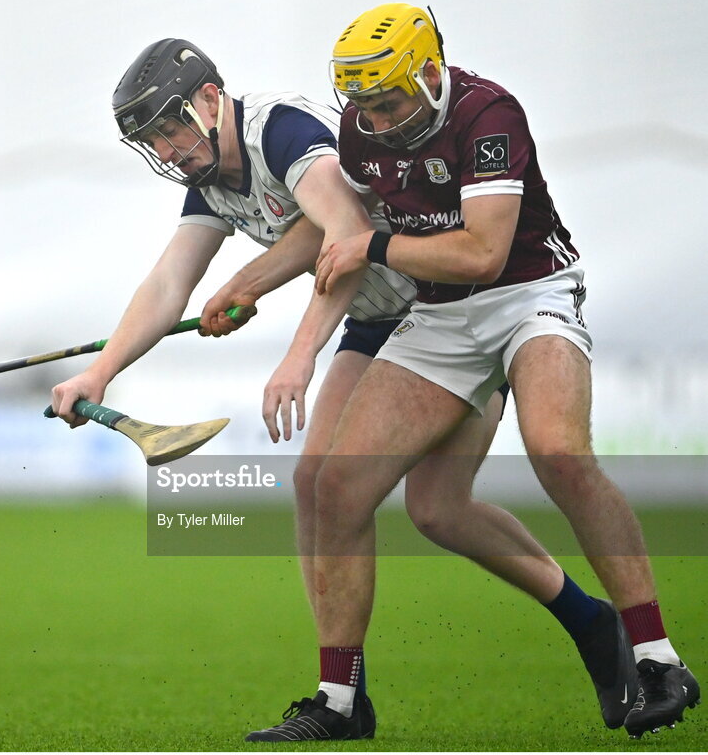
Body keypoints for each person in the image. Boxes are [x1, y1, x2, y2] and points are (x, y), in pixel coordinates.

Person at [49, 38, 642, 742]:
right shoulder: (207, 178)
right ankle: (341, 696)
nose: (170, 149)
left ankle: (595, 625)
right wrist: (99, 371)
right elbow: (167, 284)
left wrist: (288, 343)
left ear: (210, 99)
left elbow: (346, 234)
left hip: (443, 314)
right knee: (345, 492)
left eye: (172, 128)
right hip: (372, 326)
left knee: (434, 508)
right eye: (154, 141)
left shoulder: (284, 130)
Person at [258, 2, 700, 741]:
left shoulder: (488, 114)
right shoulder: (357, 131)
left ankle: (656, 658)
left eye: (389, 98)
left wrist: (373, 248)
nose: (376, 117)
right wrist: (257, 294)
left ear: (429, 71)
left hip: (528, 296)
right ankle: (340, 701)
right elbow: (332, 236)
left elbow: (480, 254)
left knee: (557, 450)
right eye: (360, 103)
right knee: (337, 485)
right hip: (438, 318)